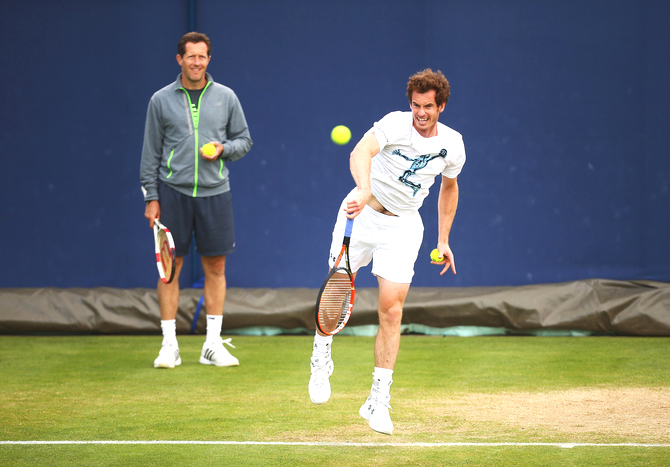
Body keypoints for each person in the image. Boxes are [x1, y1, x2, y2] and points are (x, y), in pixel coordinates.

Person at [308, 69, 466, 434]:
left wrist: (443, 240)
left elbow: (449, 188)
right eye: (416, 105)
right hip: (361, 214)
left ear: (441, 106)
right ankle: (321, 355)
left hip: (405, 226)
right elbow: (361, 150)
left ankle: (378, 400)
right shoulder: (396, 124)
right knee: (337, 291)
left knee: (392, 311)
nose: (421, 113)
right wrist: (363, 188)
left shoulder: (453, 145)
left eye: (428, 106)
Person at [140, 32, 252, 369]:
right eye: (191, 56)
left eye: (202, 56)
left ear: (208, 59)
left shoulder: (226, 97)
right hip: (172, 193)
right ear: (180, 60)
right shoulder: (160, 100)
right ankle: (169, 345)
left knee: (216, 268)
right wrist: (151, 196)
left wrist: (223, 150)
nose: (197, 62)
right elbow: (151, 153)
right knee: (169, 270)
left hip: (215, 194)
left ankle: (212, 345)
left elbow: (244, 140)